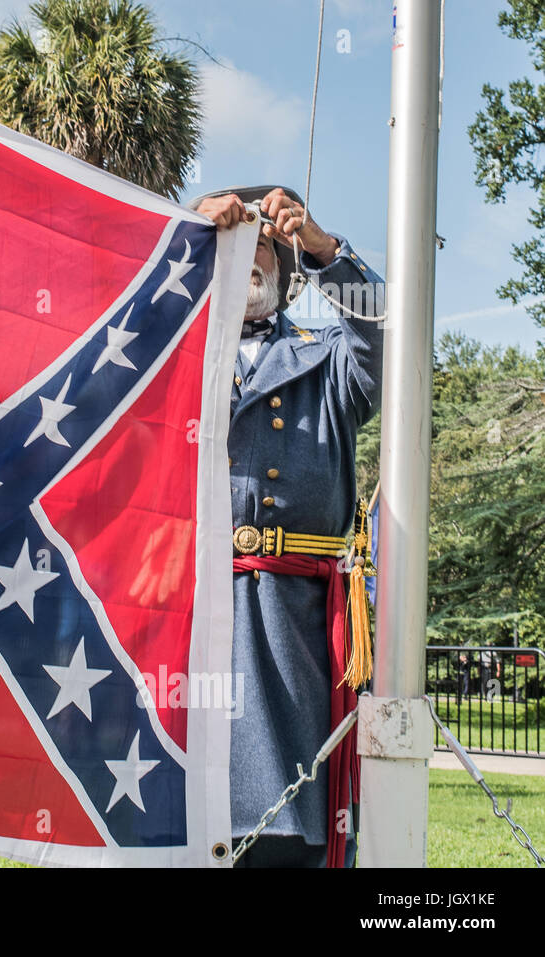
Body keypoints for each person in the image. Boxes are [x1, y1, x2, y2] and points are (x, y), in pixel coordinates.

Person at [193, 185, 385, 868]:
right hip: (187, 621)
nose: (248, 251)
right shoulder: (165, 353)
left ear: (287, 268)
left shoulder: (327, 357)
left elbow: (387, 337)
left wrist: (327, 249)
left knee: (285, 831)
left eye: (264, 245)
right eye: (232, 242)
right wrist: (182, 239)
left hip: (291, 629)